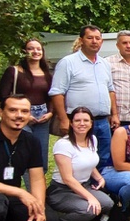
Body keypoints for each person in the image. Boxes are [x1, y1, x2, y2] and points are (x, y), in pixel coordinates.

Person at [49, 25, 118, 169]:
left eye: (98, 38)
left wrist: (115, 114)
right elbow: (57, 92)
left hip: (102, 122)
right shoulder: (68, 62)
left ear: (102, 42)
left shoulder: (104, 64)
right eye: (90, 38)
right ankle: (75, 188)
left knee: (103, 157)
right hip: (79, 122)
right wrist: (63, 119)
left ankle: (98, 188)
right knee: (78, 158)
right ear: (81, 40)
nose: (94, 41)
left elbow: (110, 90)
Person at [46, 107, 114, 221]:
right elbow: (67, 178)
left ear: (91, 123)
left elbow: (88, 163)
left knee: (107, 204)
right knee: (89, 210)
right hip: (62, 190)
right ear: (71, 123)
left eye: (86, 120)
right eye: (77, 120)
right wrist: (90, 197)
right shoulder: (63, 144)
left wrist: (99, 178)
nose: (82, 124)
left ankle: (79, 218)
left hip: (84, 185)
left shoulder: (92, 139)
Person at [0, 38, 53, 182]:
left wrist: (50, 113)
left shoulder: (47, 73)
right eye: (31, 48)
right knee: (19, 155)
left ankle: (36, 196)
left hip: (42, 118)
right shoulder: (15, 71)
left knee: (40, 159)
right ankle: (12, 189)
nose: (35, 52)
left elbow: (52, 96)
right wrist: (25, 115)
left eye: (38, 49)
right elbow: (4, 96)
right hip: (20, 116)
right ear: (24, 51)